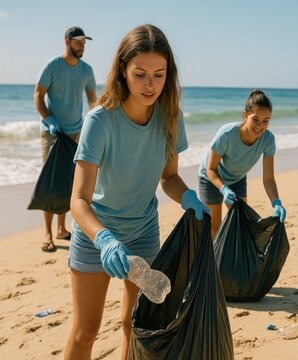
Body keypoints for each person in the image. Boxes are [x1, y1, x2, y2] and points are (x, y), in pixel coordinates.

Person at [63, 24, 208, 360]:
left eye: (159, 75)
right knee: (86, 332)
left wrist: (187, 197)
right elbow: (78, 200)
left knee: (135, 324)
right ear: (123, 70)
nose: (150, 85)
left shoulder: (171, 116)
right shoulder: (100, 121)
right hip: (96, 236)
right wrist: (105, 240)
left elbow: (169, 176)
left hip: (143, 232)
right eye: (140, 73)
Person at [34, 26, 97, 252]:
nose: (82, 46)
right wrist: (49, 119)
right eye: (79, 42)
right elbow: (38, 95)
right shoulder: (53, 66)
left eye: (84, 43)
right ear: (68, 41)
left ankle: (62, 229)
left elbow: (92, 100)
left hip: (75, 133)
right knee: (51, 182)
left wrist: (95, 123)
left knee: (69, 183)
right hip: (52, 132)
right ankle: (48, 234)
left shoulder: (86, 70)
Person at [198, 89, 286, 238]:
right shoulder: (227, 134)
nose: (260, 126)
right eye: (256, 119)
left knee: (241, 225)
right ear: (245, 116)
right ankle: (214, 261)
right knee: (214, 228)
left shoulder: (268, 140)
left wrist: (276, 202)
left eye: (266, 121)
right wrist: (224, 189)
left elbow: (268, 179)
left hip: (237, 179)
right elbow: (211, 169)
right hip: (211, 179)